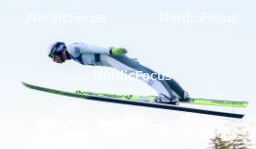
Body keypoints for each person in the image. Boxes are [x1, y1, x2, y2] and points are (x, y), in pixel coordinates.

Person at [48, 41, 190, 104]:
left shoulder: (72, 49)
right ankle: (181, 94)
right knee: (151, 73)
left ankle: (168, 97)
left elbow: (92, 47)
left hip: (113, 57)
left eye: (52, 57)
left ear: (57, 50)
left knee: (145, 76)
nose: (54, 61)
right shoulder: (73, 56)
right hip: (113, 60)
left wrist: (110, 50)